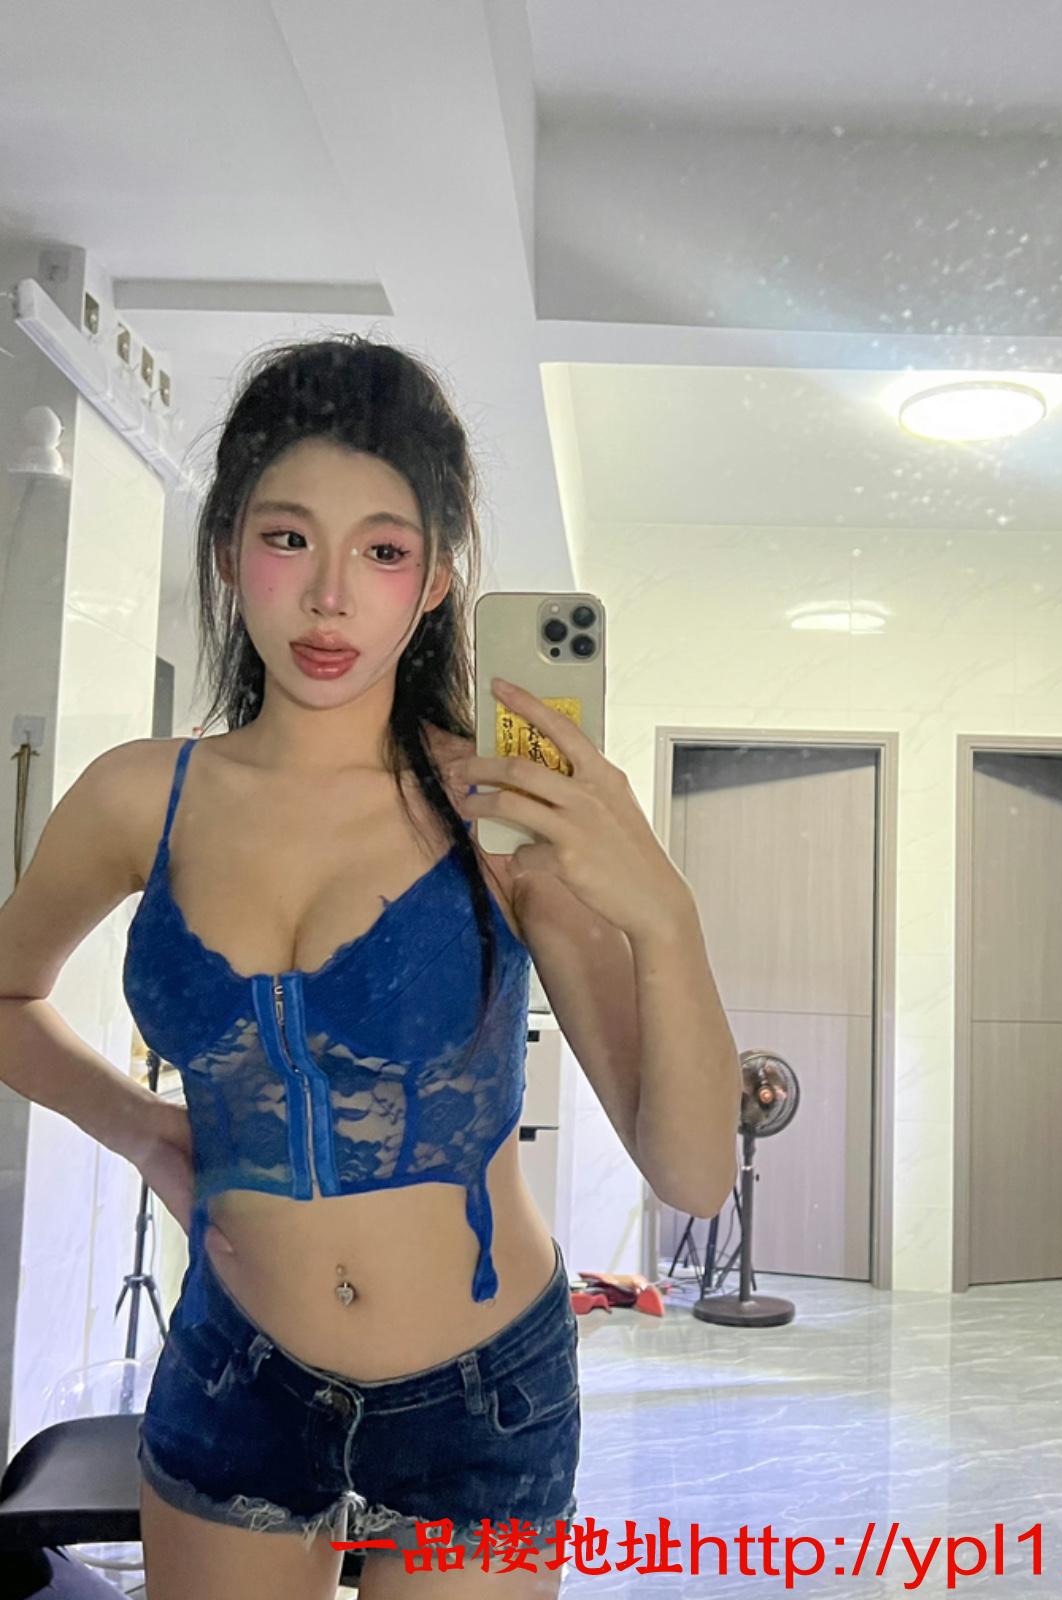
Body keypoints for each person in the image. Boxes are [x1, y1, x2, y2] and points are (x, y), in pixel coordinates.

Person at [0, 335, 741, 1598]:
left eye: (384, 551)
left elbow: (693, 1171)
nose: (331, 597)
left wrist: (663, 916)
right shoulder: (139, 797)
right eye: (289, 538)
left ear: (437, 579)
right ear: (228, 546)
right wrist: (141, 1129)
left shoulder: (496, 812)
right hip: (237, 1372)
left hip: (482, 1396)